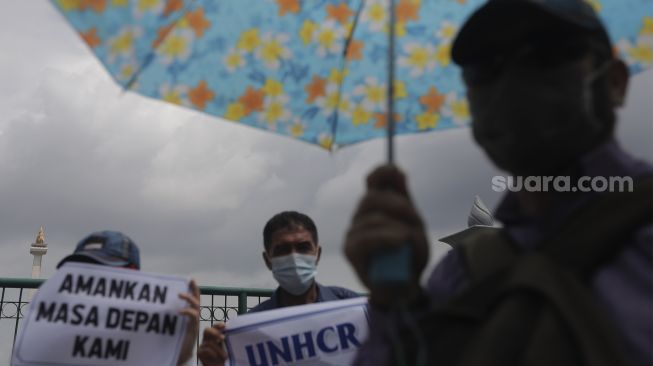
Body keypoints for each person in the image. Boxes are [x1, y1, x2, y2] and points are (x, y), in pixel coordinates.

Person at [344, 0, 652, 365]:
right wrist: (397, 305)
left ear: (615, 81)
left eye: (546, 53)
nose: (512, 82)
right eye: (484, 68)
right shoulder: (461, 272)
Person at [198, 211, 359, 366]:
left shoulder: (356, 308)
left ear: (318, 254)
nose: (294, 257)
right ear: (268, 260)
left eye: (303, 247)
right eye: (282, 250)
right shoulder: (250, 330)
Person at [57, 230, 200, 366]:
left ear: (132, 275)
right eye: (80, 270)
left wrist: (182, 358)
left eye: (102, 269)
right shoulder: (52, 341)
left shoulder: (148, 351)